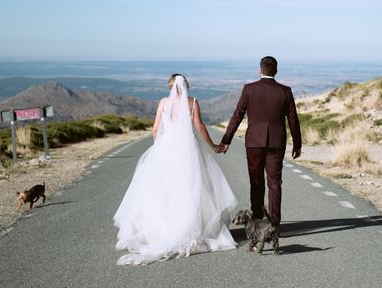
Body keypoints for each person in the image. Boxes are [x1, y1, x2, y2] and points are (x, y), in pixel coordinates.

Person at [113, 74, 237, 265]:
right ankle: (190, 228)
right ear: (186, 86)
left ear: (170, 87)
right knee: (191, 187)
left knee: (162, 190)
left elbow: (155, 129)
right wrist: (213, 146)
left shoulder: (163, 103)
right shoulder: (193, 103)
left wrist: (158, 148)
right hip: (187, 149)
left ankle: (160, 231)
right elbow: (200, 127)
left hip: (166, 149)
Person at [220, 56, 301, 230]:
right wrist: (297, 144)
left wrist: (227, 140)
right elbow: (293, 120)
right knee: (274, 183)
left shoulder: (249, 89)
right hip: (276, 143)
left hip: (254, 143)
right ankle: (274, 224)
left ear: (260, 70)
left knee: (256, 182)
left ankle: (257, 220)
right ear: (276, 71)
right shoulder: (285, 91)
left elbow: (237, 115)